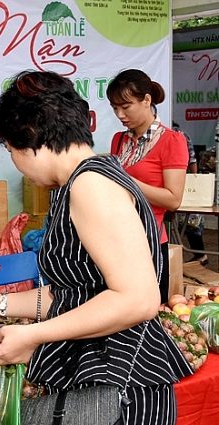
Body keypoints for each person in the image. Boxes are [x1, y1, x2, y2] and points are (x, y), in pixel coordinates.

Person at [0, 71, 194, 425]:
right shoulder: (75, 183)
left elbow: (137, 299)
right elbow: (74, 293)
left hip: (119, 386)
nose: (15, 164)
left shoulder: (92, 185)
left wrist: (34, 335)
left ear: (32, 135)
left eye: (11, 150)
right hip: (94, 381)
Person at [106, 69, 189, 304]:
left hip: (149, 242)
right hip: (116, 239)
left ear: (147, 100)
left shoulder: (172, 140)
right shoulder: (119, 140)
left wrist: (128, 181)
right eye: (115, 108)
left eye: (126, 106)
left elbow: (173, 199)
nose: (120, 114)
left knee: (148, 311)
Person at [172, 121, 208, 265]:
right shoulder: (180, 133)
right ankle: (199, 255)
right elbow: (192, 160)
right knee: (186, 223)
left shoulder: (178, 134)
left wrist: (194, 182)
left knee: (190, 222)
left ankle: (201, 256)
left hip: (182, 185)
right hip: (181, 183)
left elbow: (192, 160)